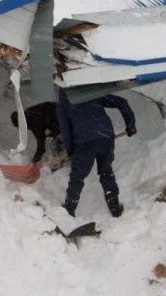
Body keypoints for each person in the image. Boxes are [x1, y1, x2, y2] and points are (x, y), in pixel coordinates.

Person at [57, 89, 137, 217]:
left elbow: (65, 128)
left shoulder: (64, 99)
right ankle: (114, 206)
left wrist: (71, 149)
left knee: (77, 176)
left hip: (84, 142)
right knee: (106, 170)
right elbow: (122, 102)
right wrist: (130, 123)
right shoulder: (91, 91)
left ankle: (69, 208)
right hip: (105, 135)